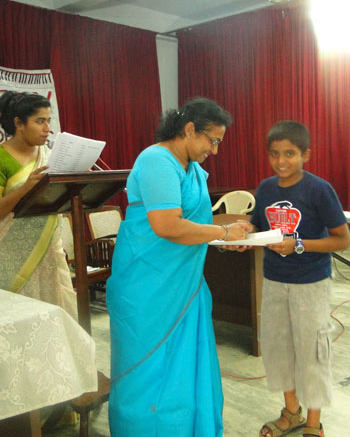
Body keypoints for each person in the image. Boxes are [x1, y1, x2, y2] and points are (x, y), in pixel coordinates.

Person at [106, 97, 252, 437]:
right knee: (147, 371)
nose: (214, 150)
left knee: (184, 369)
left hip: (183, 284)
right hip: (148, 286)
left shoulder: (191, 169)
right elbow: (167, 226)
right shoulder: (157, 161)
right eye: (212, 140)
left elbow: (196, 223)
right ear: (189, 130)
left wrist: (228, 234)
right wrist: (222, 232)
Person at [249, 121, 350, 437]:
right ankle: (291, 412)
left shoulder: (319, 189)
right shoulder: (266, 188)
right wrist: (243, 235)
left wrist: (300, 245)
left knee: (311, 351)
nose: (281, 161)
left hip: (310, 283)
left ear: (305, 154)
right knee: (280, 349)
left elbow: (343, 239)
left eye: (290, 153)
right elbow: (258, 227)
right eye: (274, 154)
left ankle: (313, 423)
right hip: (274, 281)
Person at [0, 91, 77, 319]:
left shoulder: (51, 156)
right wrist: (23, 190)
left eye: (49, 121)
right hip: (10, 259)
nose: (47, 129)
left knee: (59, 323)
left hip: (50, 256)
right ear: (19, 124)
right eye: (40, 121)